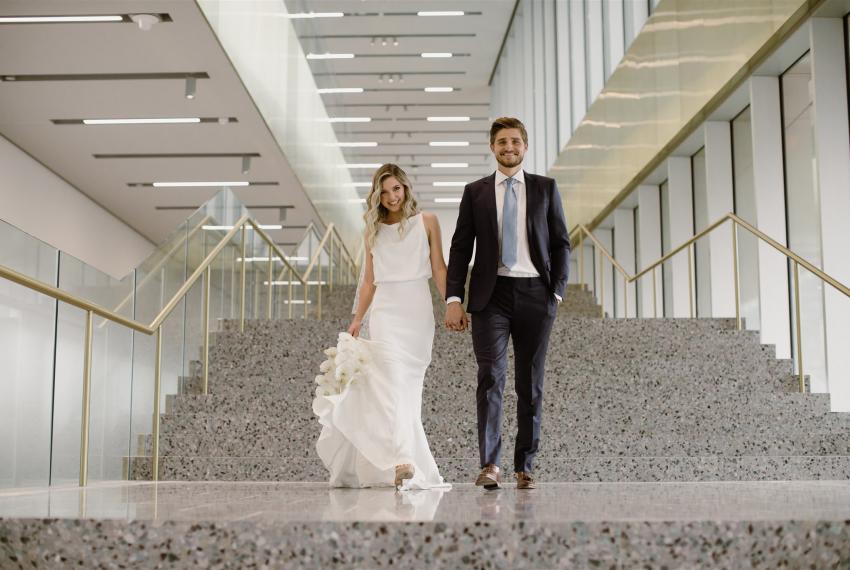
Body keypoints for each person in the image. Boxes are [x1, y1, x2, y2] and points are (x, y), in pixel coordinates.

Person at [445, 117, 570, 490]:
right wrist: (454, 297)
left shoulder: (546, 188)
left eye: (515, 141)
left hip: (536, 293)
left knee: (530, 384)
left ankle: (525, 465)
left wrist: (557, 291)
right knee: (490, 379)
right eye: (502, 141)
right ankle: (490, 465)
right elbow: (460, 246)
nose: (509, 147)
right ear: (492, 147)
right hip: (490, 296)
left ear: (525, 146)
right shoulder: (476, 192)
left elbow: (561, 241)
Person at [312, 163, 450, 491]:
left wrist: (454, 304)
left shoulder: (427, 222)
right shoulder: (372, 231)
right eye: (384, 191)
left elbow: (439, 268)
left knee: (408, 390)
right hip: (386, 312)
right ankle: (400, 459)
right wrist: (359, 318)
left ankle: (412, 462)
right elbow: (370, 282)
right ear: (377, 195)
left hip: (417, 313)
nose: (391, 197)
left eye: (396, 189)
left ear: (405, 188)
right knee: (390, 382)